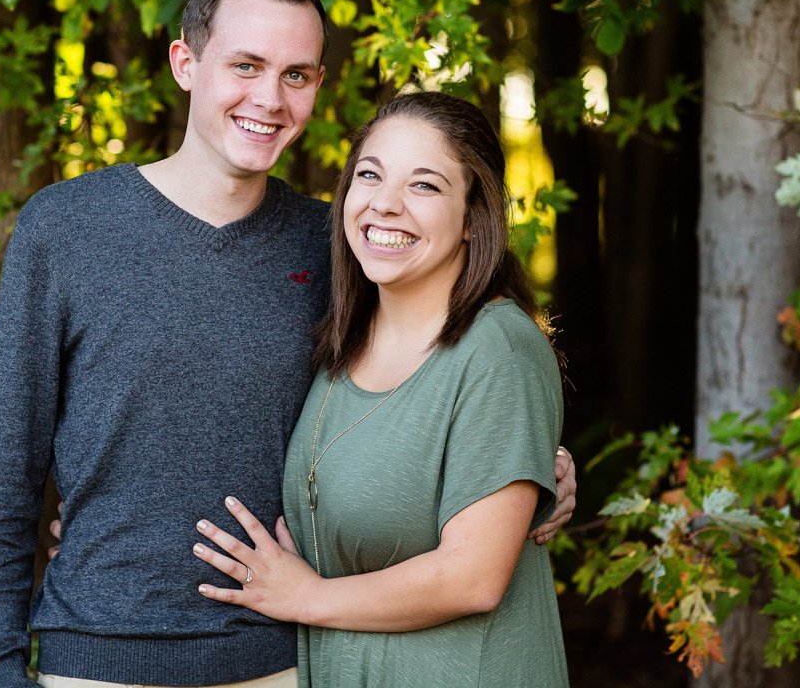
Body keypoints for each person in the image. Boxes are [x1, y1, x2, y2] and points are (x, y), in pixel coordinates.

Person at [0, 0, 574, 688]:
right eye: (246, 65)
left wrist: (536, 474)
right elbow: (7, 471)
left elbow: (434, 382)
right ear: (186, 63)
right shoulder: (66, 230)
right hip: (96, 659)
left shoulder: (339, 249)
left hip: (282, 664)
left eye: (296, 74)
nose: (269, 98)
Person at [190, 91, 568, 687]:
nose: (385, 204)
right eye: (370, 175)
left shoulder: (498, 350)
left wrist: (306, 597)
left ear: (474, 217)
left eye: (425, 185)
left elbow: (473, 576)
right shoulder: (342, 334)